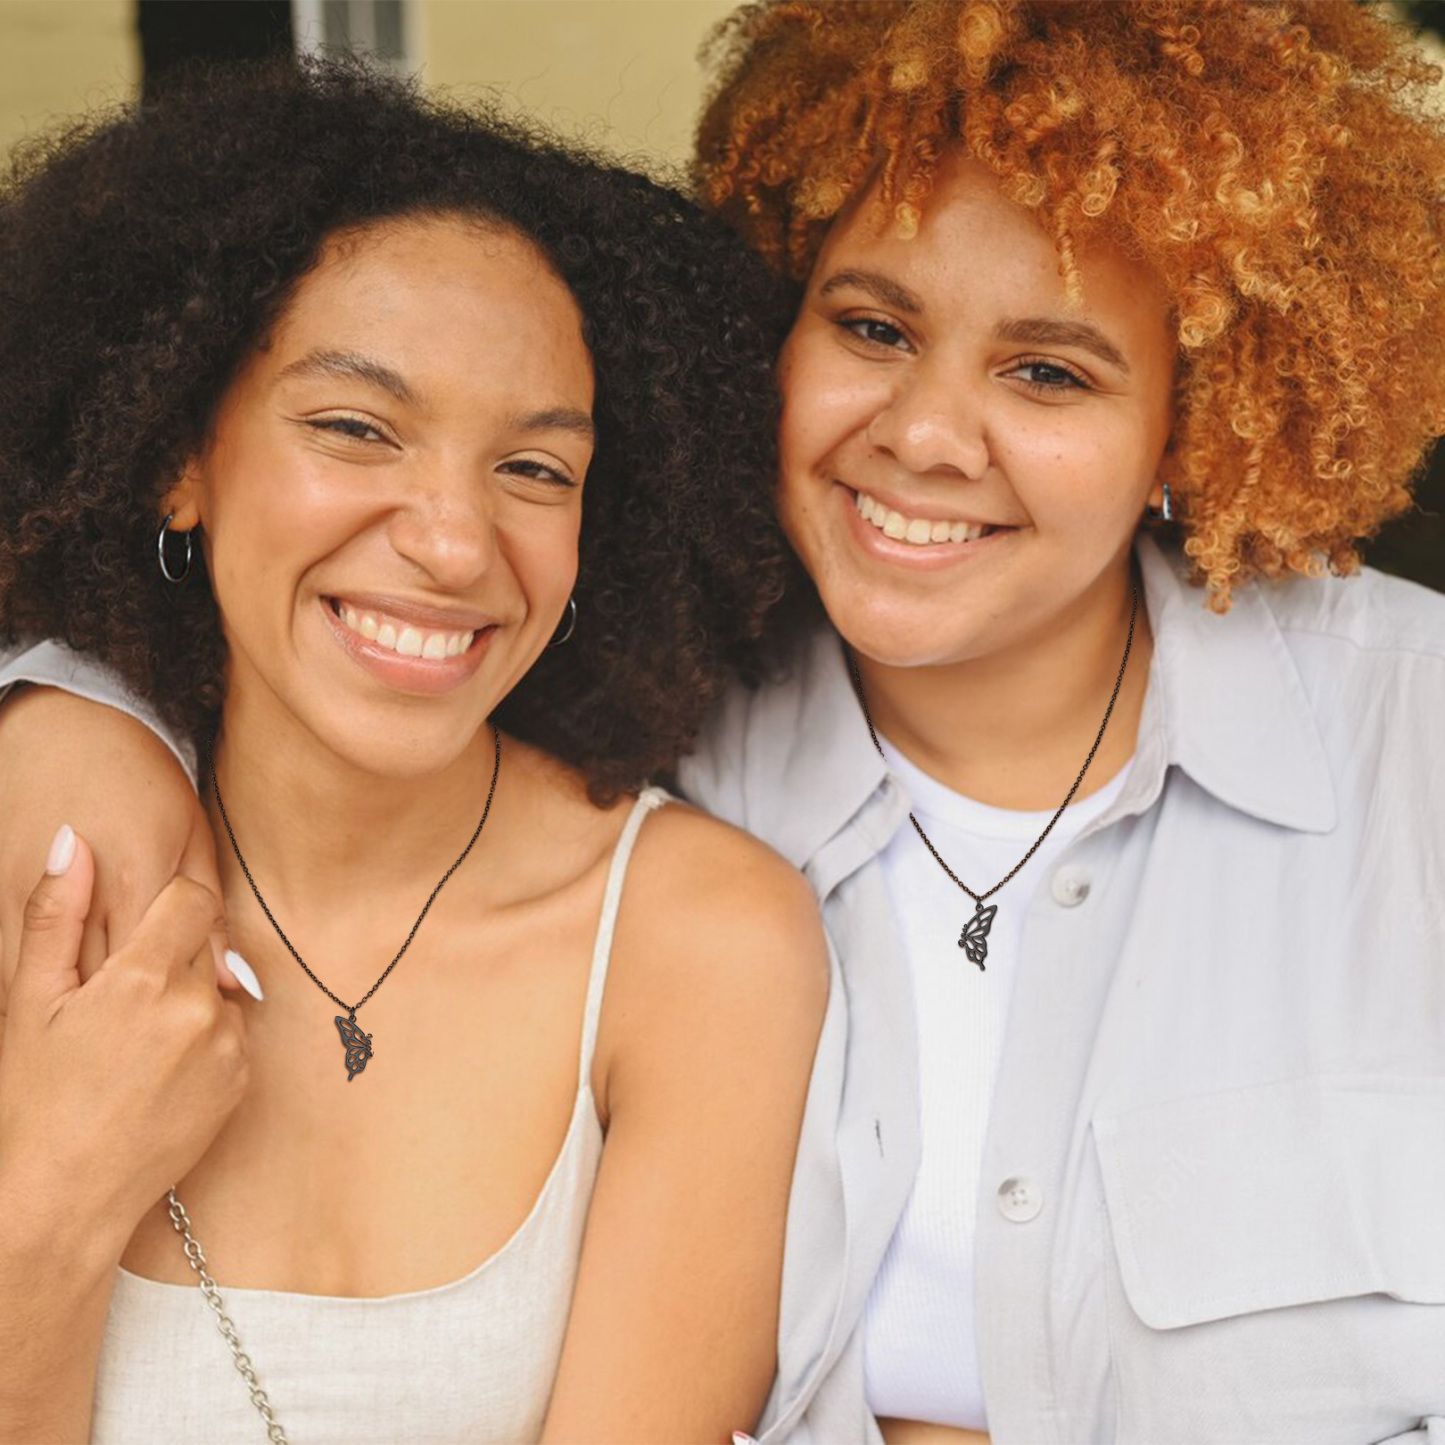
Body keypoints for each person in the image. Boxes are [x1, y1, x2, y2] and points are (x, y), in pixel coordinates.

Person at [5, 2, 1445, 1442]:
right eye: (872, 327)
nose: (928, 434)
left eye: (1048, 371)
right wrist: (79, 710)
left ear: (1193, 423)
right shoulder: (665, 707)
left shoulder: (1408, 747)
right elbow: (318, 642)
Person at [0, 57, 831, 1445]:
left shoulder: (698, 944)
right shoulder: (45, 862)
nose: (453, 542)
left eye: (534, 467)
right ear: (176, 457)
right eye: (353, 427)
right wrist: (51, 1203)